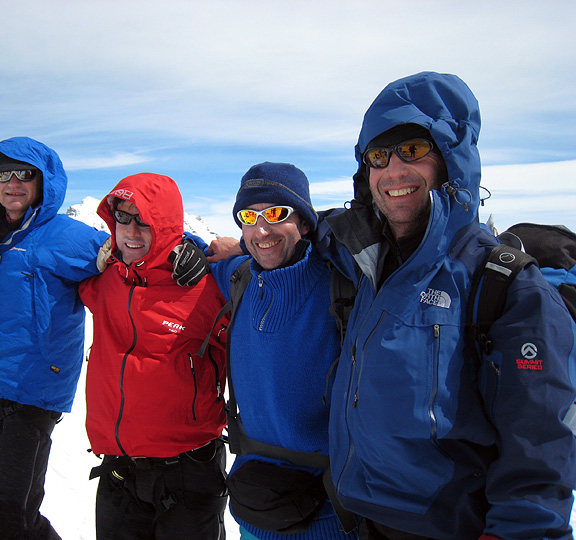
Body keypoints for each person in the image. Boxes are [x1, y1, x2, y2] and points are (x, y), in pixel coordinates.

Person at [315, 72, 576, 540]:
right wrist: (252, 237)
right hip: (356, 520)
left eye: (413, 149)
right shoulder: (366, 258)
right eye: (378, 156)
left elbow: (539, 450)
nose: (394, 170)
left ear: (452, 160)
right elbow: (315, 229)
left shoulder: (506, 286)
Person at [0, 136, 109, 540]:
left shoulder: (68, 236)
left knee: (12, 517)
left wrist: (189, 251)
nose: (12, 183)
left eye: (24, 174)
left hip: (29, 396)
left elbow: (140, 249)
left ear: (43, 181)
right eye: (3, 175)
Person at [207, 162, 358, 540]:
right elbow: (179, 248)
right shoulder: (239, 277)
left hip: (330, 515)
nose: (261, 230)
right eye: (248, 217)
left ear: (304, 223)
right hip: (254, 511)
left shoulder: (342, 281)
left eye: (276, 214)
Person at [78, 172, 229, 540]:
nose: (131, 231)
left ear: (165, 226)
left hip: (188, 469)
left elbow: (268, 271)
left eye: (144, 220)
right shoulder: (106, 279)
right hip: (119, 468)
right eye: (123, 217)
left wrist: (207, 247)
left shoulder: (205, 287)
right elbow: (51, 251)